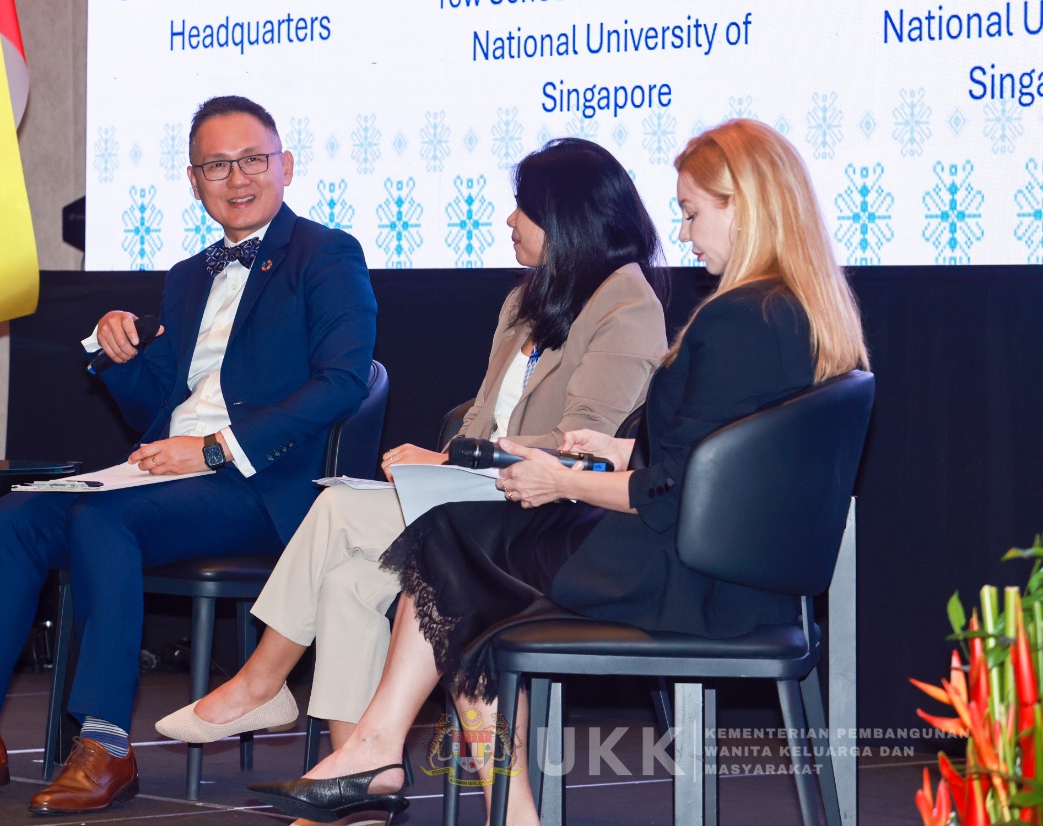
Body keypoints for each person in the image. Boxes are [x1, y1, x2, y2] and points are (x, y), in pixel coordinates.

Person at [248, 119, 870, 825]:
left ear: (746, 207)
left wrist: (565, 481)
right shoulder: (793, 313)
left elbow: (677, 494)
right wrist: (620, 450)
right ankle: (411, 766)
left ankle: (386, 754)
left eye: (694, 212)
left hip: (691, 580)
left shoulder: (739, 320)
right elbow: (718, 463)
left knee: (451, 549)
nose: (684, 233)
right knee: (460, 565)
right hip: (729, 576)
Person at [0, 96, 379, 812]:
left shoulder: (327, 254)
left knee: (104, 522)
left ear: (284, 165)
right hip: (171, 473)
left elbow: (344, 380)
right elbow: (154, 407)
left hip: (264, 485)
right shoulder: (189, 274)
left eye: (253, 160)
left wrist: (216, 450)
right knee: (14, 519)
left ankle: (105, 743)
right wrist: (116, 353)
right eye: (216, 166)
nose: (237, 178)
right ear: (193, 181)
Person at [154, 138, 667, 758]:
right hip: (481, 495)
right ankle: (361, 776)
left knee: (338, 509)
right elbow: (480, 416)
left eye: (524, 207)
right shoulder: (525, 300)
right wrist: (453, 459)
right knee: (346, 582)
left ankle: (261, 682)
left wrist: (453, 461)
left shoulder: (627, 303)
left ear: (567, 217)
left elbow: (582, 448)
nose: (509, 219)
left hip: (548, 513)